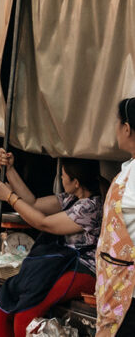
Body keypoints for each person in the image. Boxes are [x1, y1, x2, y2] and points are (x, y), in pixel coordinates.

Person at [0, 149, 103, 337]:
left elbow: (44, 223)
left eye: (63, 175)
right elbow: (32, 203)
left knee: (25, 316)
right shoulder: (71, 198)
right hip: (58, 265)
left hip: (84, 270)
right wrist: (10, 170)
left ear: (76, 182)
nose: (60, 178)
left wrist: (10, 197)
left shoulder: (91, 207)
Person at [95, 98, 135, 336]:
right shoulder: (128, 169)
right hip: (117, 283)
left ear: (127, 128)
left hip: (128, 290)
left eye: (117, 123)